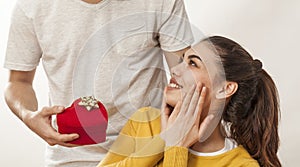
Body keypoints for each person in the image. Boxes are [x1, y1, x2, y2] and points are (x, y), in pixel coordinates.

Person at [3, 0, 194, 166]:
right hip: (71, 157)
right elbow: (18, 82)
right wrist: (28, 115)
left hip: (149, 152)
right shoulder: (31, 6)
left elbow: (188, 78)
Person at [97, 36, 282, 167]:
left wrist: (176, 148)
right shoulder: (145, 121)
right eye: (181, 60)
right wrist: (164, 140)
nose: (175, 70)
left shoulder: (240, 164)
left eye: (193, 63)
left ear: (225, 89)